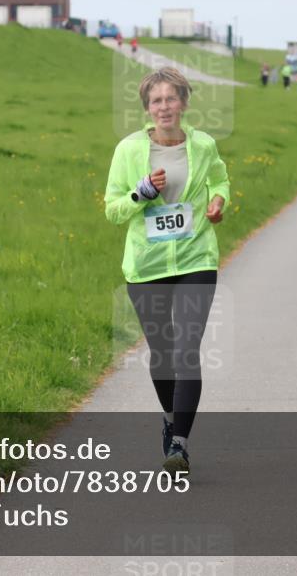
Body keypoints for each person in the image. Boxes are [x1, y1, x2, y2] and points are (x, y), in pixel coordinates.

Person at [104, 66, 230, 474]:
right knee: (162, 354)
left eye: (171, 98)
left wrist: (218, 202)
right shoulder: (128, 151)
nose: (164, 107)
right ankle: (171, 419)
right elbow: (113, 210)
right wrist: (141, 193)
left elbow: (220, 179)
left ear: (184, 102)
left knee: (186, 350)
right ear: (147, 108)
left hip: (197, 258)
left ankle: (179, 444)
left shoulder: (204, 145)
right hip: (147, 265)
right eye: (156, 100)